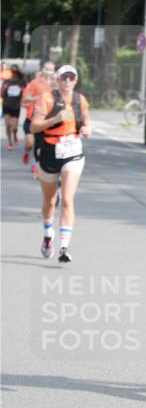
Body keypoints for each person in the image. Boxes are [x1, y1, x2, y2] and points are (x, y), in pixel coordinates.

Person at [30, 64, 91, 263]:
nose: (67, 81)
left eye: (71, 77)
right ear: (58, 80)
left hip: (73, 151)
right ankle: (48, 235)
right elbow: (34, 126)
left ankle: (64, 248)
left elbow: (87, 123)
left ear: (75, 80)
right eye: (63, 77)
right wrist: (55, 118)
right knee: (49, 202)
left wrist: (87, 130)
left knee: (66, 199)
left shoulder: (79, 100)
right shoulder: (46, 99)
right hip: (49, 151)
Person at [21, 60, 56, 167]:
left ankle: (36, 164)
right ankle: (27, 152)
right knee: (29, 144)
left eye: (51, 70)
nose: (48, 71)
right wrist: (39, 98)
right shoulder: (35, 83)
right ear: (42, 70)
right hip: (32, 119)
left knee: (41, 145)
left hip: (45, 121)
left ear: (54, 72)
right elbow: (26, 98)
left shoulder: (56, 84)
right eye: (46, 69)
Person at [2, 65, 25, 150]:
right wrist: (3, 89)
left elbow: (25, 93)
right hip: (6, 105)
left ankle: (15, 135)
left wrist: (22, 90)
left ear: (18, 72)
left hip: (16, 106)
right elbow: (1, 94)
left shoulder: (21, 82)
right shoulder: (7, 81)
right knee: (7, 125)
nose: (13, 73)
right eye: (12, 71)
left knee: (14, 127)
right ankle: (10, 142)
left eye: (15, 72)